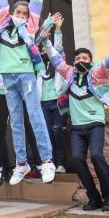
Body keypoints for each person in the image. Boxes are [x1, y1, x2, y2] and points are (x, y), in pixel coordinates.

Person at [42, 35, 109, 212]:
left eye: (84, 58)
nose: (80, 61)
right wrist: (46, 42)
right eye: (77, 59)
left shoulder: (97, 74)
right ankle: (94, 198)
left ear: (91, 61)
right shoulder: (69, 74)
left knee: (97, 157)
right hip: (77, 128)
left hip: (95, 124)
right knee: (77, 159)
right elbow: (55, 60)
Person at [0, 0, 56, 184]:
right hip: (7, 77)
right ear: (11, 13)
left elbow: (36, 2)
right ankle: (22, 164)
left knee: (35, 116)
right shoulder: (3, 26)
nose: (22, 15)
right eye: (18, 12)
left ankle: (47, 161)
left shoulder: (31, 26)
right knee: (15, 122)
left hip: (26, 76)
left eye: (25, 14)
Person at [39, 13, 68, 174]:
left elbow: (56, 49)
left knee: (58, 131)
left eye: (46, 49)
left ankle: (61, 163)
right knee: (46, 133)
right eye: (42, 49)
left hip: (57, 101)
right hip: (43, 102)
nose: (45, 51)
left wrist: (57, 30)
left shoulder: (58, 64)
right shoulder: (38, 65)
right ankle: (48, 163)